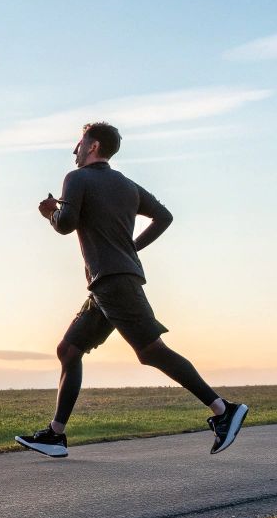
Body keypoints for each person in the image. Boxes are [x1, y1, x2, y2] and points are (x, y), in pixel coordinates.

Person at [15, 121, 247, 458]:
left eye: (79, 144)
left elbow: (66, 226)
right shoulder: (126, 185)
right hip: (108, 283)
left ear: (93, 146)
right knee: (68, 350)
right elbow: (164, 216)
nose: (74, 150)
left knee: (151, 351)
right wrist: (131, 249)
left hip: (114, 282)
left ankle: (224, 410)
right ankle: (55, 435)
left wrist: (50, 212)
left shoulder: (75, 179)